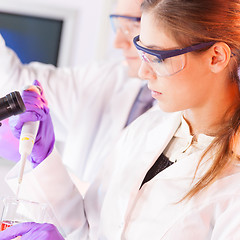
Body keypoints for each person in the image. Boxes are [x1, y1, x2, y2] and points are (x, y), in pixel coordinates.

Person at [1, 0, 240, 239]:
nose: (143, 72)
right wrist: (44, 158)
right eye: (142, 52)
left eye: (158, 57)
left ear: (216, 57)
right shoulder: (149, 125)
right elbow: (91, 229)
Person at [0, 0, 155, 189]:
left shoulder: (183, 118)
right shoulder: (103, 79)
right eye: (118, 25)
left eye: (135, 24)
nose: (118, 43)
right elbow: (14, 80)